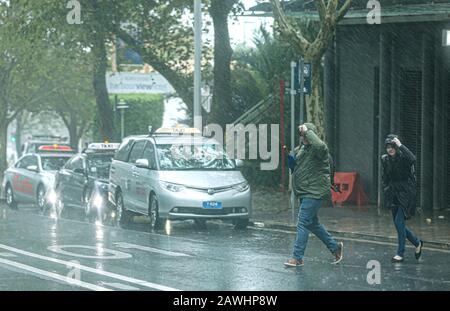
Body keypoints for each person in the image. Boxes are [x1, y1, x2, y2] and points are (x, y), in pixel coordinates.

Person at [284, 123, 343, 267]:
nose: (303, 137)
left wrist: (307, 131)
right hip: (304, 191)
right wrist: (289, 158)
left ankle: (297, 257)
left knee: (303, 222)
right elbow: (295, 167)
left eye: (305, 135)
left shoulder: (320, 151)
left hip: (314, 192)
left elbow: (321, 146)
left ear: (311, 135)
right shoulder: (302, 150)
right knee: (312, 223)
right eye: (302, 135)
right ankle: (335, 247)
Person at [381, 134, 424, 263]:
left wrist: (400, 145)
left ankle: (400, 253)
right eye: (388, 147)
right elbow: (385, 177)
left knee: (399, 222)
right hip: (393, 193)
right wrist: (386, 188)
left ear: (396, 147)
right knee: (398, 224)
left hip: (406, 192)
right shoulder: (385, 159)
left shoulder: (403, 157)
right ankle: (417, 243)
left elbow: (413, 159)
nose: (390, 149)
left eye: (393, 146)